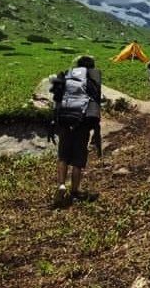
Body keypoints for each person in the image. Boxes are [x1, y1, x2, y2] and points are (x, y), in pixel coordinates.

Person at [49, 55, 102, 207]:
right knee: (78, 157)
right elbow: (95, 102)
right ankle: (75, 190)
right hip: (82, 121)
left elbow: (56, 96)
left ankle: (61, 185)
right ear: (91, 67)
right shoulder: (92, 79)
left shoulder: (67, 76)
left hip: (64, 119)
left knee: (63, 154)